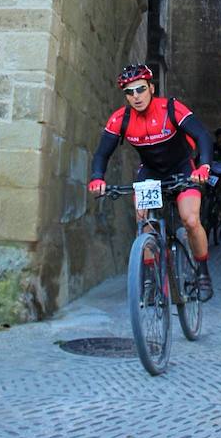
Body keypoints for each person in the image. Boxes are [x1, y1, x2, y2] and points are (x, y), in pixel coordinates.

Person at [88, 63, 214, 301]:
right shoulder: (120, 119)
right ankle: (149, 278)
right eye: (129, 92)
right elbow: (101, 153)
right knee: (143, 221)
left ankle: (203, 273)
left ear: (151, 88)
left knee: (190, 219)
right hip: (151, 172)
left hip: (182, 169)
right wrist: (97, 178)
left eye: (140, 89)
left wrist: (205, 166)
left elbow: (202, 135)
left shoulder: (170, 108)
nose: (136, 96)